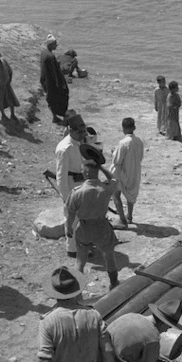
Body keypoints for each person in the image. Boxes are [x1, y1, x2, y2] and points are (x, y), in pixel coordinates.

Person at [65, 145, 121, 290]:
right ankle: (114, 284)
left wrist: (69, 229)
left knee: (80, 261)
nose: (82, 171)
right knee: (109, 257)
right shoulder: (106, 188)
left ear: (87, 171)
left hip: (83, 229)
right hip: (102, 228)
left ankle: (77, 291)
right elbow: (114, 178)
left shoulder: (77, 192)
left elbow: (70, 212)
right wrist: (101, 168)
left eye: (83, 169)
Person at [55, 113, 87, 257]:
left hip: (81, 185)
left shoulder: (79, 143)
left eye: (83, 131)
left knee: (82, 218)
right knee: (71, 219)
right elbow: (61, 176)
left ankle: (82, 245)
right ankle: (73, 249)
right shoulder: (64, 148)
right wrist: (66, 197)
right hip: (72, 186)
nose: (82, 134)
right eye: (79, 132)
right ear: (72, 130)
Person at [109, 117, 144, 228]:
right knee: (131, 194)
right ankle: (129, 216)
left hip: (121, 173)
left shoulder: (123, 143)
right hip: (134, 171)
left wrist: (114, 152)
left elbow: (117, 160)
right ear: (134, 127)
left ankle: (122, 219)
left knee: (116, 194)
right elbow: (140, 157)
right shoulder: (139, 141)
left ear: (123, 128)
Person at [39, 34, 69, 123]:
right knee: (62, 96)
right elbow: (54, 72)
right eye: (55, 43)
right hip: (51, 82)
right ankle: (63, 116)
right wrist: (60, 84)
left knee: (51, 99)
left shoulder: (44, 52)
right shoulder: (50, 56)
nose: (57, 45)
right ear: (51, 44)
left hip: (45, 80)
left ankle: (54, 116)